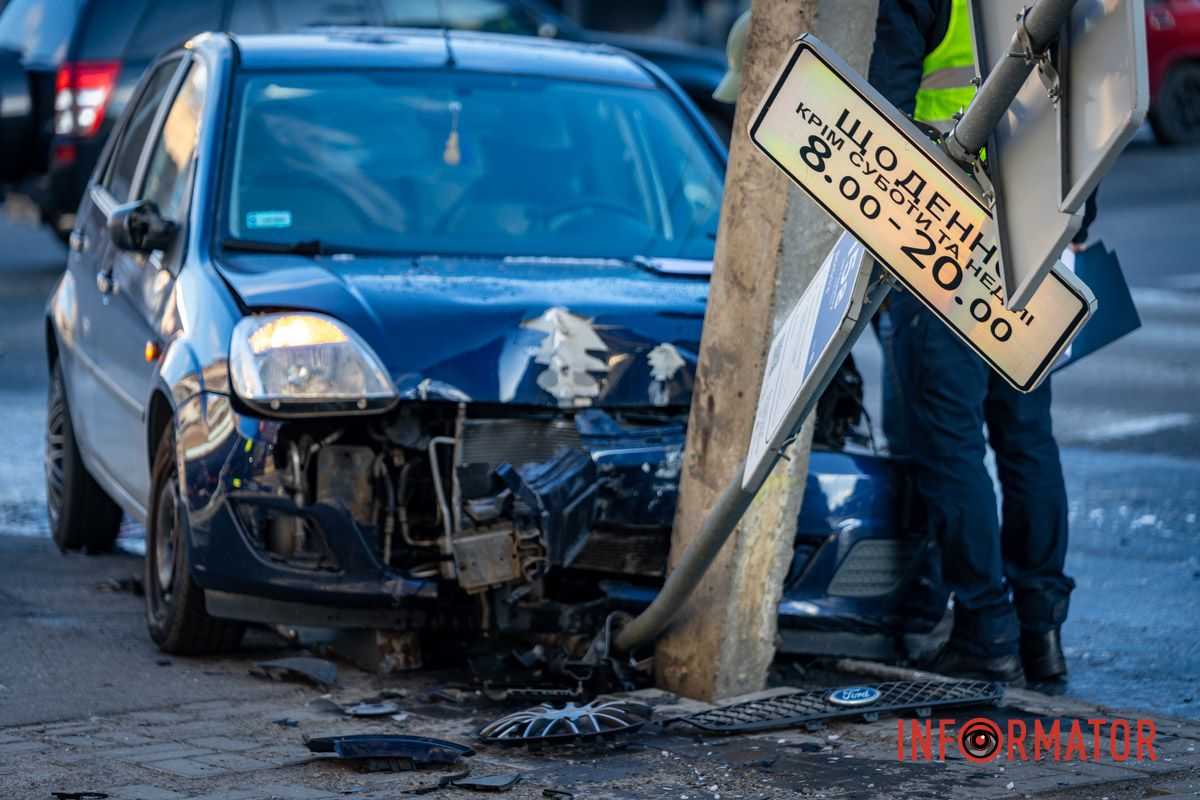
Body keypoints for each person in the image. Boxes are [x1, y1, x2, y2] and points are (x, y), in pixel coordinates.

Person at [868, 0, 1074, 684]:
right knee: (1026, 438)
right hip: (1032, 234)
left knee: (951, 443)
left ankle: (986, 632)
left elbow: (883, 124)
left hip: (944, 241)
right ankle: (1041, 635)